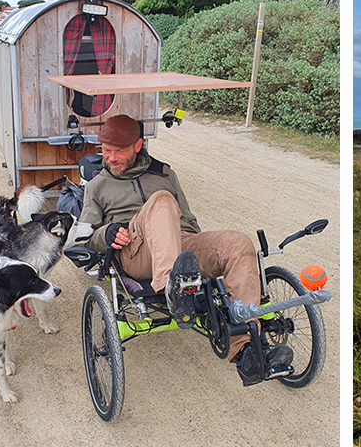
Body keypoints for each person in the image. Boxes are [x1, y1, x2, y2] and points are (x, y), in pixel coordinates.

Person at [77, 114, 289, 385]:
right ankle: (171, 286)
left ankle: (246, 349)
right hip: (136, 251)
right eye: (106, 150)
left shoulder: (164, 173)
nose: (112, 157)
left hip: (179, 241)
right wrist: (105, 234)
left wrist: (206, 254)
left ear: (138, 146)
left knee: (238, 242)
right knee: (162, 201)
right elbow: (83, 236)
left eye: (119, 150)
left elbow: (188, 218)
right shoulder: (97, 186)